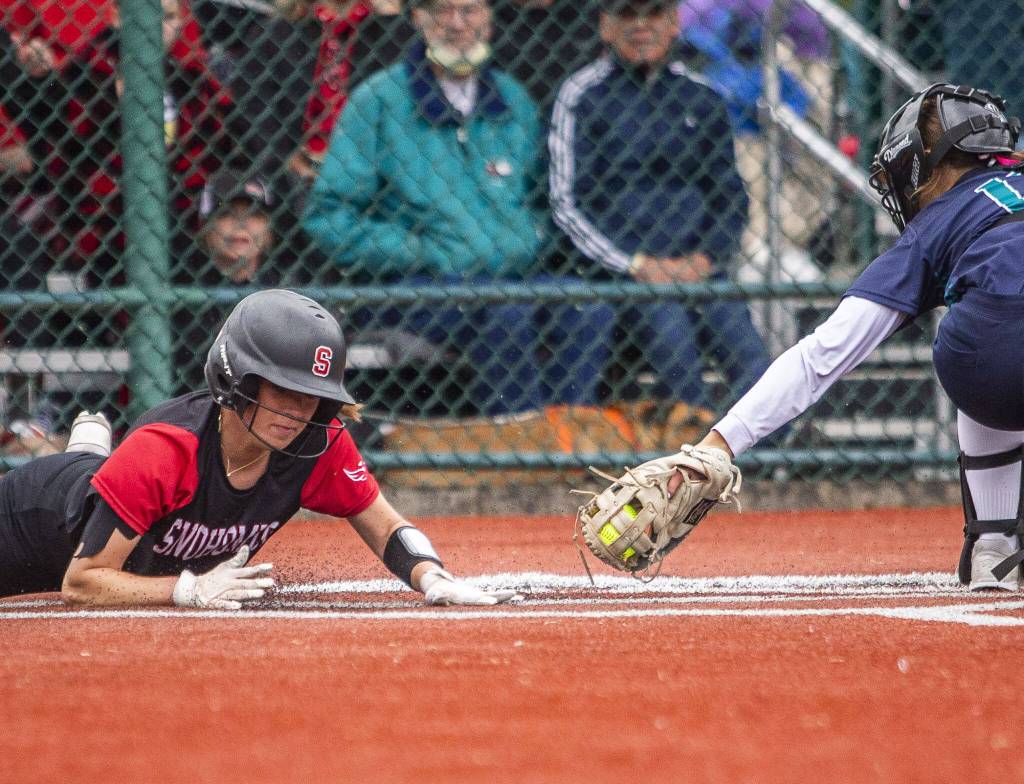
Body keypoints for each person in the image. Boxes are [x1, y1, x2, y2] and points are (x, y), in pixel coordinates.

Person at [672, 83, 1024, 591]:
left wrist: (718, 444)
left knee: (980, 331)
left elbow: (823, 355)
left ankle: (994, 543)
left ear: (927, 165)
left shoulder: (941, 221)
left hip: (995, 358)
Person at [0, 289, 518, 607]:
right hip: (28, 518)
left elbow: (386, 526)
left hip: (112, 499)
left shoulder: (317, 442)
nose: (299, 412)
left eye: (314, 398)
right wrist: (188, 589)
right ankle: (85, 457)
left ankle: (90, 456)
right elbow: (83, 583)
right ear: (236, 380)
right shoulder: (166, 448)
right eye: (283, 391)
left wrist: (434, 578)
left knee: (104, 479)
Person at [304, 0, 614, 416]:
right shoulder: (377, 101)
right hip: (419, 286)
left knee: (588, 307)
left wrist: (531, 236)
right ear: (417, 18)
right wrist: (418, 250)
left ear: (488, 18)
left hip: (518, 278)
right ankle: (515, 445)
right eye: (440, 11)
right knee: (509, 316)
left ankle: (568, 438)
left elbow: (544, 197)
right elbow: (328, 214)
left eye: (469, 10)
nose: (456, 24)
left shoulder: (512, 100)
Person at [550, 0, 771, 432]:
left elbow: (730, 196)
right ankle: (700, 459)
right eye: (627, 15)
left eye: (653, 14)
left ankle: (768, 453)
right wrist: (636, 265)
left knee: (748, 351)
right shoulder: (580, 95)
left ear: (673, 24)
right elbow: (565, 204)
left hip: (699, 269)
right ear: (605, 26)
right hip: (622, 273)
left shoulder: (702, 96)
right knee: (671, 335)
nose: (641, 26)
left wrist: (705, 259)